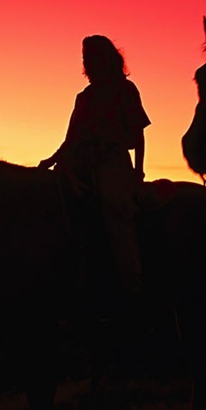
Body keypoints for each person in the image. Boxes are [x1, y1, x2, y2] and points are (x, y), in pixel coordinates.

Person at [40, 35, 150, 298]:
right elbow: (71, 139)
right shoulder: (84, 97)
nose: (87, 63)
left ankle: (131, 282)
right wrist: (52, 160)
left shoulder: (126, 90)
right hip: (78, 162)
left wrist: (137, 172)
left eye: (91, 57)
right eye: (85, 58)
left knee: (114, 206)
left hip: (111, 161)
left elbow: (138, 134)